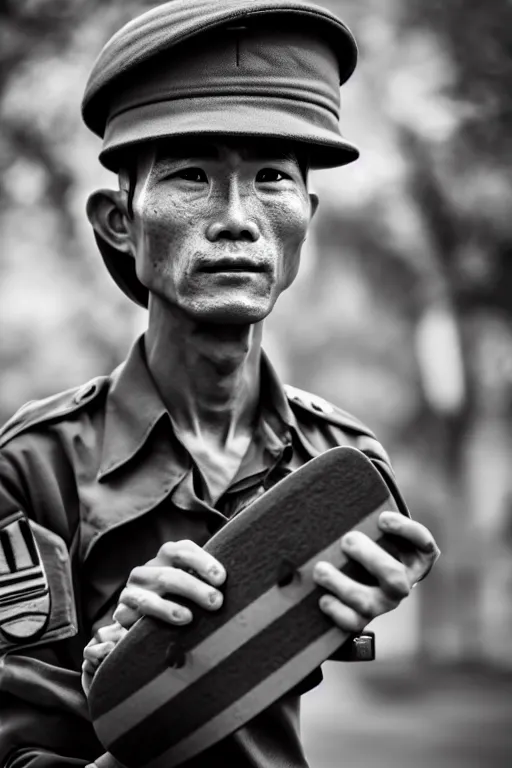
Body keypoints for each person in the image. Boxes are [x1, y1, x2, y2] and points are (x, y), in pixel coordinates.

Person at [0, 1, 440, 767]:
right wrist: (130, 689)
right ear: (118, 220)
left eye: (271, 178)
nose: (237, 218)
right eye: (191, 177)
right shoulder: (30, 468)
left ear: (306, 214)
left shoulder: (341, 461)